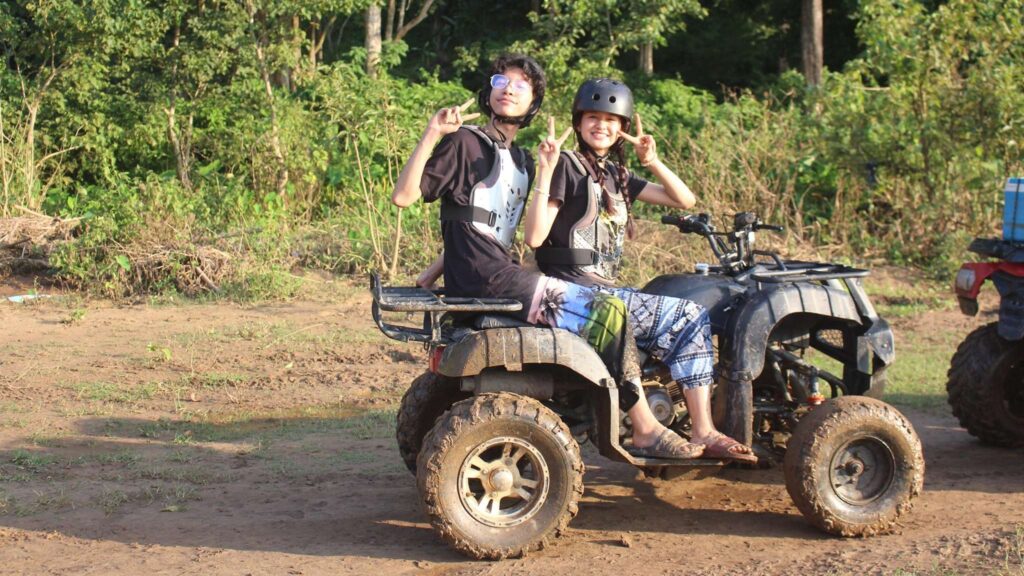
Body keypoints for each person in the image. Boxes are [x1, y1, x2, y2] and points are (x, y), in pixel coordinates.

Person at [392, 55, 701, 459]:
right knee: (609, 312)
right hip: (489, 278)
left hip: (495, 271)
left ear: (533, 102)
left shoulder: (520, 160)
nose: (508, 88)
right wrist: (433, 132)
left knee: (605, 309)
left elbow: (487, 223)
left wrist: (433, 272)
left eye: (521, 86)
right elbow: (404, 197)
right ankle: (644, 426)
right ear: (489, 91)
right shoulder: (465, 142)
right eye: (501, 80)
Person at [523, 78, 757, 463]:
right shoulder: (567, 165)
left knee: (689, 317)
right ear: (579, 123)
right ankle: (649, 430)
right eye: (593, 117)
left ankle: (703, 429)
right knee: (684, 314)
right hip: (569, 290)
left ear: (623, 129)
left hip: (602, 288)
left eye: (612, 120)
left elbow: (684, 199)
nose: (602, 126)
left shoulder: (617, 175)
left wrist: (653, 161)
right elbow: (534, 237)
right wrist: (546, 171)